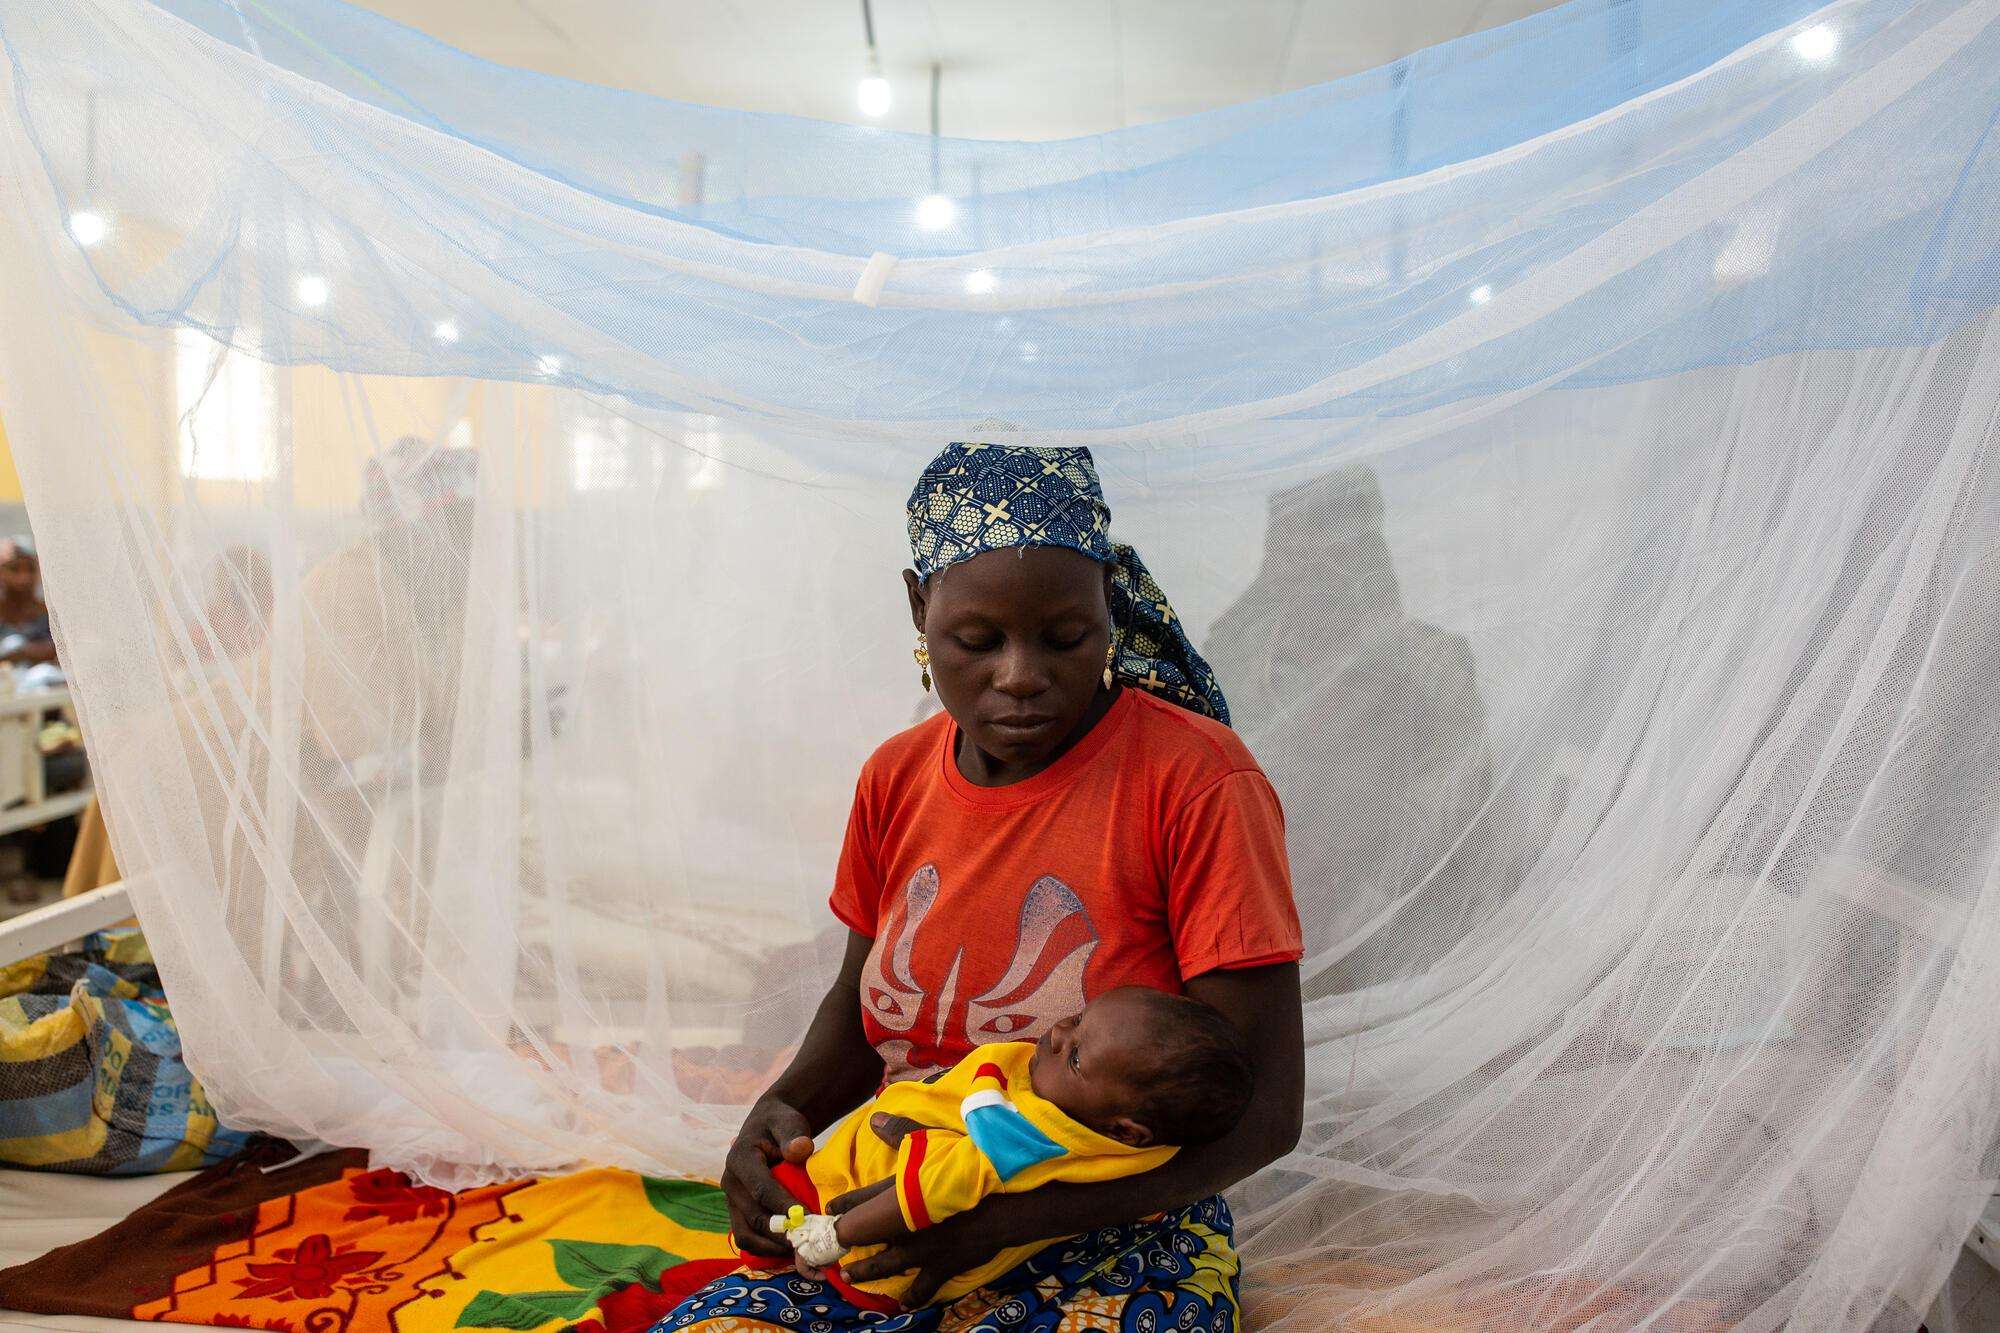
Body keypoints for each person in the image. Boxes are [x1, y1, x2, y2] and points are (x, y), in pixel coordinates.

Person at [673, 443, 1304, 1333]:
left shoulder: (1197, 782)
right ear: (919, 607)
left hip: (1104, 1218)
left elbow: (1266, 1113)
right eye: (978, 640)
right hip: (892, 1205)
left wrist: (1009, 1220)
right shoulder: (895, 777)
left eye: (1066, 637)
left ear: (1107, 614)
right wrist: (776, 1118)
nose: (1020, 674)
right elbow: (862, 1013)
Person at [754, 987, 1254, 1311]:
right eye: (1077, 1019)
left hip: (881, 1246)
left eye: (1076, 1057)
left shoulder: (1028, 1134)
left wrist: (835, 1233)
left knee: (788, 1222)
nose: (1058, 1034)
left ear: (1127, 1130)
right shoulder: (1143, 1142)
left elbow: (934, 1189)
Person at [0, 537, 55, 666]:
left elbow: (60, 648)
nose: (24, 578)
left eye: (30, 569)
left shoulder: (48, 614)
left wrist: (23, 652)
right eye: (14, 569)